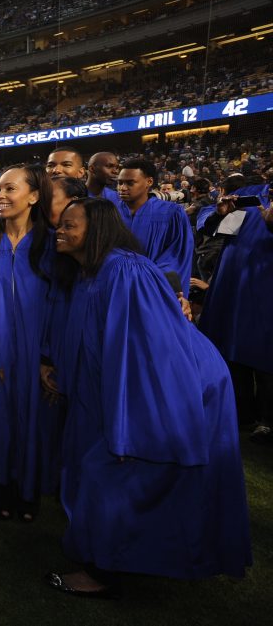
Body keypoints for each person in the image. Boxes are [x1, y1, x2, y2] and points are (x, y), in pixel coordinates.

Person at [46, 198, 251, 597]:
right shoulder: (92, 270)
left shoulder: (125, 269)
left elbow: (148, 351)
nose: (61, 231)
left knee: (113, 473)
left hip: (167, 388)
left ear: (98, 229)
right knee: (101, 471)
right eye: (61, 224)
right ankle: (108, 560)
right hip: (125, 389)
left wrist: (130, 426)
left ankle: (102, 574)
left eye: (71, 225)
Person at [0, 163, 60, 521]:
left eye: (9, 189)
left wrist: (49, 356)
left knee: (38, 420)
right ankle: (1, 485)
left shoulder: (51, 245)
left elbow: (61, 302)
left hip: (39, 351)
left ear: (34, 196)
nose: (0, 196)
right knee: (0, 419)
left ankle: (29, 490)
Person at [197, 181, 273, 439]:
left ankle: (267, 419)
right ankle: (243, 412)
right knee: (231, 345)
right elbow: (212, 225)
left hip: (265, 284)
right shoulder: (252, 194)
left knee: (265, 351)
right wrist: (220, 214)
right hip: (234, 283)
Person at [116, 158, 193, 295]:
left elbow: (177, 255)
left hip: (155, 288)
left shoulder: (172, 213)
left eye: (130, 183)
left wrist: (144, 278)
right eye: (120, 183)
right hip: (117, 285)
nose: (122, 188)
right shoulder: (111, 212)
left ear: (149, 182)